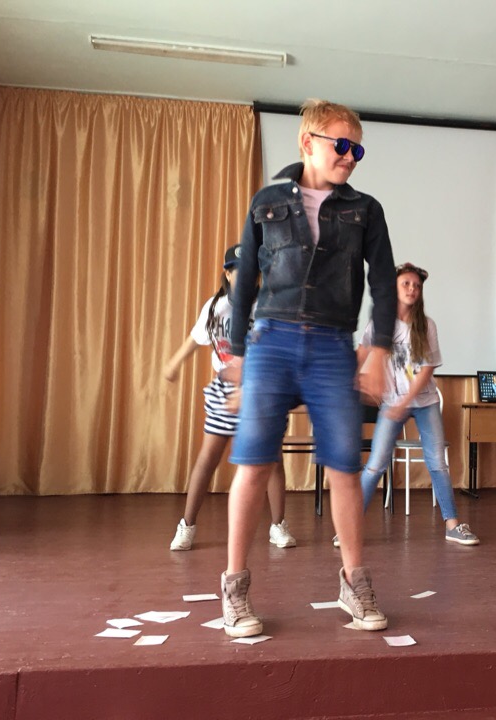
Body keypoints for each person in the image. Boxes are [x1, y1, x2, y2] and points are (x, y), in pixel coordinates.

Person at [220, 99, 397, 638]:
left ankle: (354, 582)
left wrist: (379, 351)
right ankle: (233, 588)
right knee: (254, 463)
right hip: (270, 342)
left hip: (331, 346)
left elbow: (383, 282)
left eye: (357, 150)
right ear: (307, 142)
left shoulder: (366, 210)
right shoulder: (268, 200)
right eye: (340, 144)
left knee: (343, 466)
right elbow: (244, 283)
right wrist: (238, 355)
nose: (349, 156)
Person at [162, 244, 295, 551]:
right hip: (225, 389)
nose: (246, 276)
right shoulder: (216, 306)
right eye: (239, 271)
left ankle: (278, 526)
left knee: (272, 459)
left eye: (252, 272)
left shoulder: (268, 306)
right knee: (208, 457)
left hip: (262, 389)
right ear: (228, 274)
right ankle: (187, 525)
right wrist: (174, 363)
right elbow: (195, 338)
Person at [350, 262, 478, 546]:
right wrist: (350, 380)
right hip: (392, 402)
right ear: (394, 288)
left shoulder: (426, 325)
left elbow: (427, 370)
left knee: (437, 464)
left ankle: (453, 525)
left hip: (424, 401)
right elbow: (362, 353)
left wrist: (405, 402)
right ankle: (350, 527)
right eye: (406, 284)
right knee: (375, 465)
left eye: (416, 286)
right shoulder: (380, 324)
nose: (412, 289)